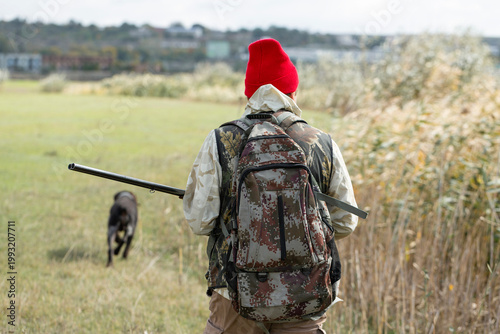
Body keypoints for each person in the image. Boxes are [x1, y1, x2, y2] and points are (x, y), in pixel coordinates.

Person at [183, 38, 358, 334]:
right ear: (293, 88)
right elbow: (345, 223)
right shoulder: (321, 142)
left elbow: (201, 221)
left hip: (234, 293)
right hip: (306, 293)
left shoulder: (220, 140)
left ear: (248, 92)